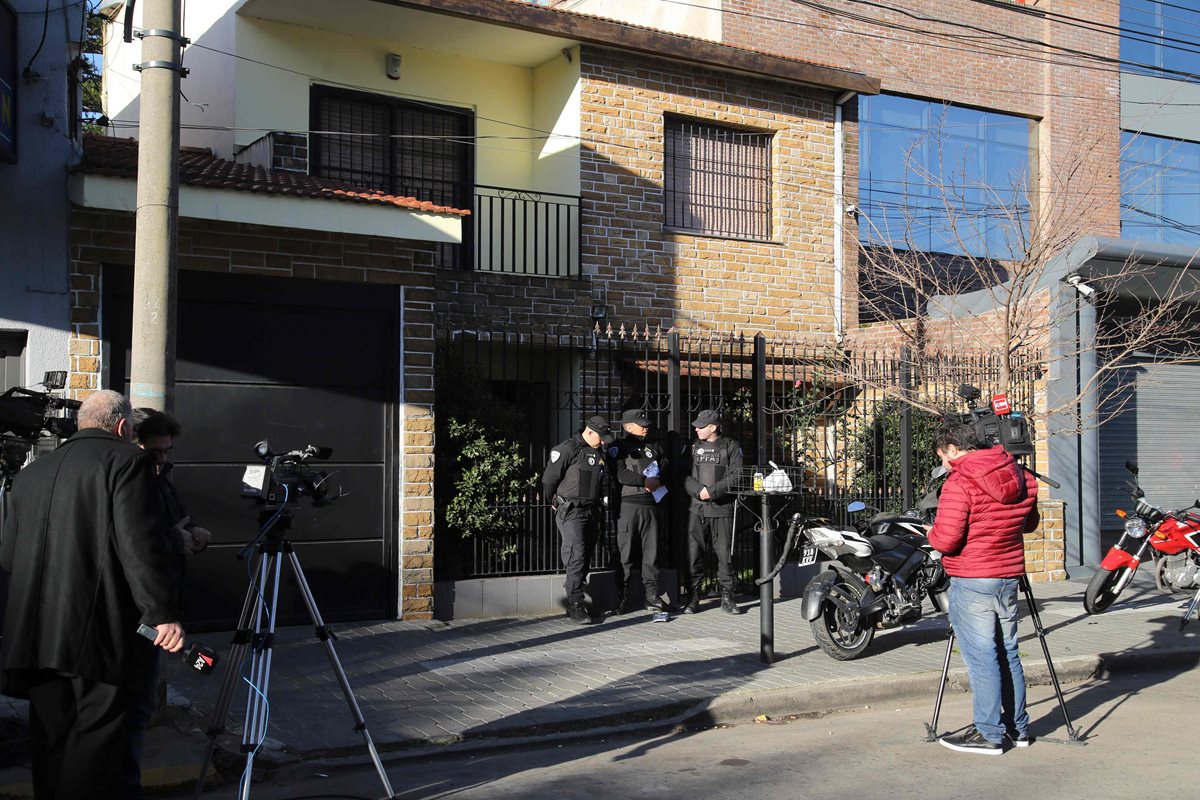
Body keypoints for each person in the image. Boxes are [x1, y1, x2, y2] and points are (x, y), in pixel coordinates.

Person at [0, 390, 184, 798]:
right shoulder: (129, 462)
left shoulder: (32, 473)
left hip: (38, 642)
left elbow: (9, 556)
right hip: (101, 642)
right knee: (104, 756)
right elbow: (140, 547)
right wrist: (161, 613)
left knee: (53, 748)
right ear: (123, 428)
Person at [927, 422, 1039, 755]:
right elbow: (1029, 524)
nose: (944, 464)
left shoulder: (960, 483)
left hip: (973, 578)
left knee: (982, 659)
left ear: (953, 448)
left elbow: (946, 539)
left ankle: (989, 733)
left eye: (943, 457)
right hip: (1007, 576)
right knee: (1008, 654)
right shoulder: (1022, 476)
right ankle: (1018, 729)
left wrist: (929, 533)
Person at [542, 416, 613, 624]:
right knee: (576, 554)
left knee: (585, 555)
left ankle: (577, 598)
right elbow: (549, 479)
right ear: (590, 432)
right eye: (600, 437)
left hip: (591, 511)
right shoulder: (567, 449)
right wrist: (554, 501)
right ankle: (575, 604)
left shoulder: (598, 452)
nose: (602, 442)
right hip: (571, 511)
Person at [682, 409, 743, 615]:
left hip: (722, 509)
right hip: (697, 509)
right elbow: (683, 474)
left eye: (701, 426)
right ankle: (693, 597)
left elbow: (736, 476)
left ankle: (728, 597)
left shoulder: (731, 446)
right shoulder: (692, 447)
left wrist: (713, 491)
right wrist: (699, 491)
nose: (696, 429)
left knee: (725, 556)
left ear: (713, 427)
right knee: (693, 555)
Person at [611, 409, 668, 614]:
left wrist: (659, 477)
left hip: (651, 505)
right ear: (627, 426)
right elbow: (620, 474)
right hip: (628, 506)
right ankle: (621, 597)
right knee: (625, 554)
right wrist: (645, 481)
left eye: (645, 424)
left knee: (651, 553)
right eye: (640, 424)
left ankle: (652, 596)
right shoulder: (619, 447)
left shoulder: (653, 446)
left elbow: (664, 466)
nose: (645, 427)